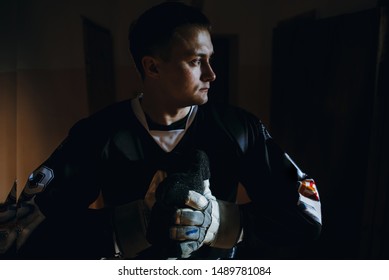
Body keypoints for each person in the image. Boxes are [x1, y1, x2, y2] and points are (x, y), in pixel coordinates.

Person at [11, 2, 321, 259]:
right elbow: (23, 229)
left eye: (210, 60)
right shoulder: (97, 134)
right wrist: (129, 226)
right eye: (195, 61)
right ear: (153, 67)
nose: (212, 74)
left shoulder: (240, 129)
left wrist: (223, 223)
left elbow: (307, 215)